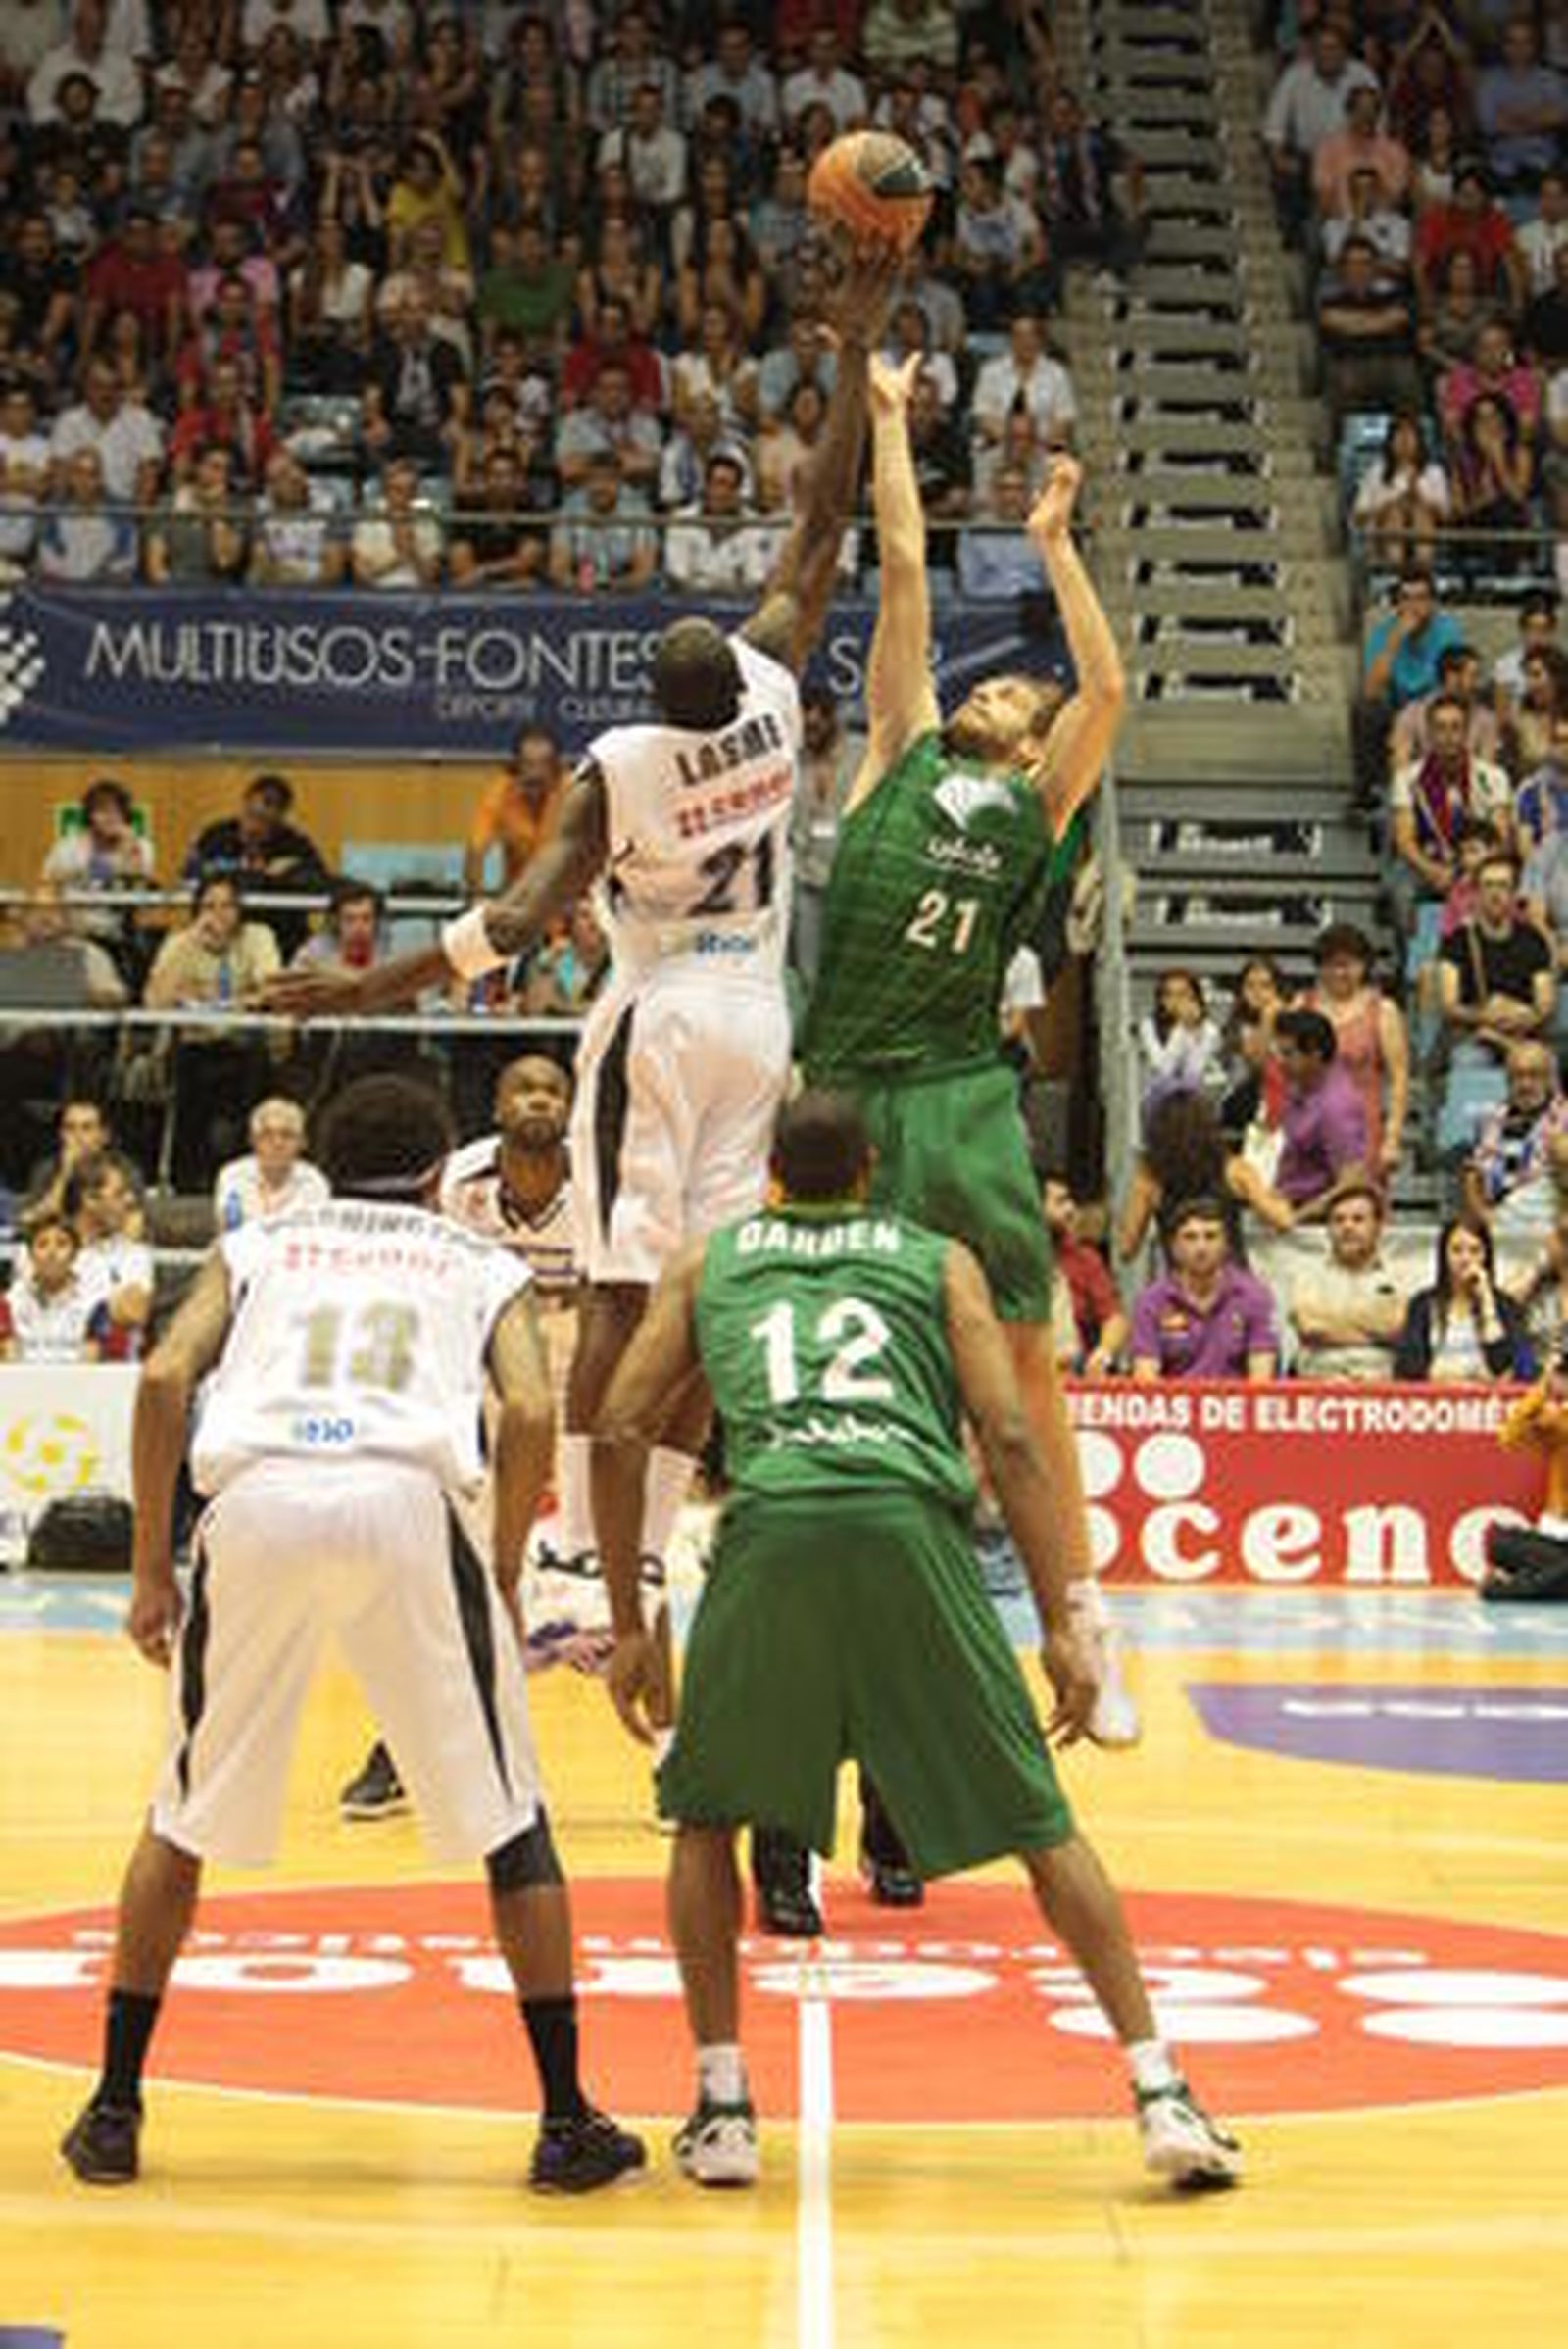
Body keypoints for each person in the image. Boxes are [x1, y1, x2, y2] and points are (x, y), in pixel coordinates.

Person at [263, 243, 905, 1737]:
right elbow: (815, 534)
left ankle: (588, 1576)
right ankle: (666, 1554)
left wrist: (367, 992)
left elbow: (513, 923)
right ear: (727, 687)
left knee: (623, 1304)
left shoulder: (620, 776)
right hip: (764, 1023)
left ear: (643, 700)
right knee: (718, 1301)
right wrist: (857, 359)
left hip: (659, 1021)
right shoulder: (771, 693)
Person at [591, 1090, 1242, 2193]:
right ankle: (1159, 2089)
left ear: (771, 1176)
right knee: (1041, 1823)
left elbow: (616, 1425)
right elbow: (1009, 1436)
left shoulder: (711, 1261)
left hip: (774, 1532)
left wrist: (629, 1619)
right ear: (870, 1172)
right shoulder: (935, 1259)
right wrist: (1065, 1626)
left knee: (704, 1821)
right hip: (909, 1534)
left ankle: (721, 2106)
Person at [58, 1075, 644, 2195]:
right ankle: (566, 2119)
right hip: (404, 1499)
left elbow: (168, 1373)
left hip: (260, 1498)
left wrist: (149, 1569)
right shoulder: (477, 1260)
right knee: (511, 1815)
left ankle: (113, 2109)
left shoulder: (263, 1241)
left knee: (181, 1810)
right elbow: (528, 1409)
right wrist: (505, 1566)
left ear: (325, 1161)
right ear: (438, 1174)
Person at [796, 350, 1138, 1747]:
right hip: (839, 1102)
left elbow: (1108, 688)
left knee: (1026, 1365)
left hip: (956, 1092)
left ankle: (1080, 1622)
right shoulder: (899, 743)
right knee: (829, 1357)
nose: (1008, 691)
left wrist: (1057, 548)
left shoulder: (1040, 797)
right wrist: (886, 419)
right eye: (999, 690)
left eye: (1024, 694)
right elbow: (903, 564)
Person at [341, 1053, 583, 1820]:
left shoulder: (602, 1177)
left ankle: (676, 1749)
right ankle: (401, 1748)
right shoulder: (458, 1180)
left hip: (586, 1376)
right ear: (499, 1102)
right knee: (446, 1581)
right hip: (484, 1380)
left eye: (553, 1089)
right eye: (524, 1087)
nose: (539, 1098)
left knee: (624, 1569)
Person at [1129, 1197, 1280, 1382]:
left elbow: (1261, 1378)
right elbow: (1145, 1377)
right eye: (1190, 1237)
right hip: (1176, 1406)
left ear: (1226, 1245)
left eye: (1211, 1236)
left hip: (1236, 1406)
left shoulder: (1255, 1296)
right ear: (1174, 1247)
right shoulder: (1150, 1301)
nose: (1201, 1247)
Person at [1287, 1175, 1408, 1381]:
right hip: (1317, 1385)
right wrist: (1373, 1333)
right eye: (1338, 1220)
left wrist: (1333, 1320)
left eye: (1358, 1219)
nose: (1347, 1227)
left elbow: (1395, 1326)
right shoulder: (1306, 1275)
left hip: (1380, 1390)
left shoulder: (1399, 1276)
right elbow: (1310, 1327)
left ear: (1378, 1226)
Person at [1394, 1212, 1536, 1383]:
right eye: (1457, 1250)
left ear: (1486, 1256)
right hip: (1435, 1398)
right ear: (1443, 1256)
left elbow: (1504, 1366)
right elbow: (1408, 1368)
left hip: (1487, 1400)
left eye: (1475, 1251)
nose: (1465, 1259)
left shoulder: (1505, 1306)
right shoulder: (1422, 1305)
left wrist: (1487, 1302)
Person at [1272, 1007, 1371, 1223]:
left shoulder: (1337, 1106)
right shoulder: (1299, 1088)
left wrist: (1297, 1218)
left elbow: (1352, 1181)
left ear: (1315, 1054)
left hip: (1317, 1223)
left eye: (1288, 1054)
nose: (1279, 1061)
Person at [463, 727, 565, 898]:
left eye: (544, 764)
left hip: (566, 900)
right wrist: (477, 899)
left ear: (556, 769)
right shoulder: (500, 794)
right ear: (516, 766)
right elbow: (475, 850)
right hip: (518, 901)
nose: (536, 774)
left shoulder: (573, 793)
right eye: (529, 764)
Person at [1042, 1172, 1128, 1374]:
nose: (1071, 1210)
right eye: (1061, 1202)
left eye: (1070, 1201)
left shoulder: (1085, 1259)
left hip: (1073, 1373)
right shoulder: (1008, 1257)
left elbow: (1114, 1318)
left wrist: (1103, 1354)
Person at [212, 1096, 328, 1230]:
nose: (277, 1143)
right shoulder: (232, 1177)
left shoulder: (315, 1183)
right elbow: (227, 1232)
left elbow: (314, 1237)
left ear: (302, 1143)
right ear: (253, 1141)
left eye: (287, 1135)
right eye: (267, 1135)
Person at [0, 1209, 100, 1362]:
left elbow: (92, 1358)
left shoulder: (92, 1301)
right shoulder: (13, 1300)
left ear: (75, 1254)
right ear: (31, 1255)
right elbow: (8, 1357)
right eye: (42, 1244)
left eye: (61, 1244)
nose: (51, 1252)